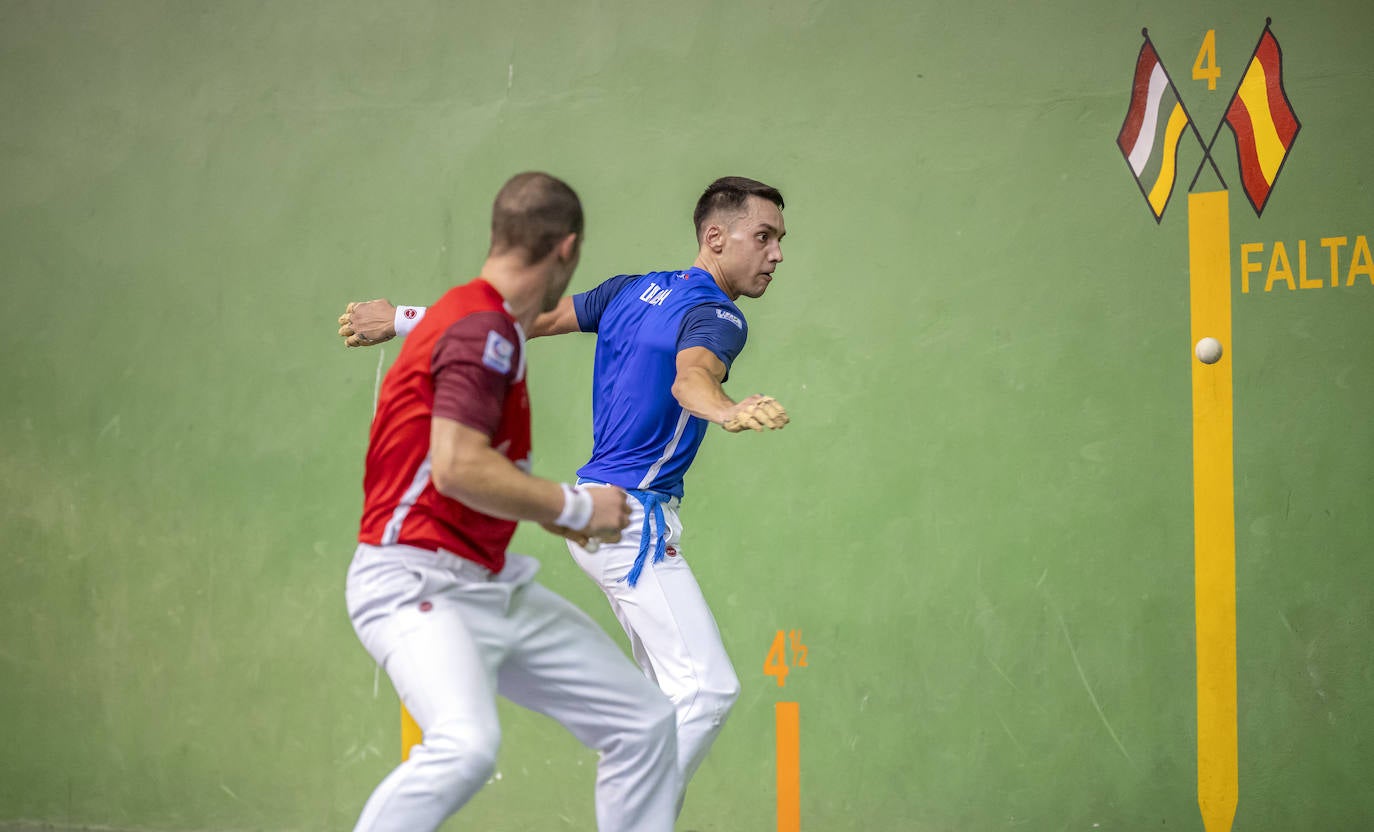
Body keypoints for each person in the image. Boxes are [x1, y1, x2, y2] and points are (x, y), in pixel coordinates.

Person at [338, 175, 791, 810]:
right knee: (707, 691)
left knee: (652, 714)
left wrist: (402, 319)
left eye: (780, 241)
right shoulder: (717, 315)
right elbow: (691, 380)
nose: (776, 254)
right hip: (625, 522)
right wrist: (727, 410)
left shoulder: (629, 290)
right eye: (764, 237)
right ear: (715, 238)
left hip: (590, 517)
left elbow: (530, 321)